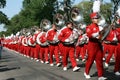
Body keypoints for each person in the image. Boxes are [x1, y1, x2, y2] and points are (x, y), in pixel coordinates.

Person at [84, 12, 107, 80]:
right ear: (92, 19)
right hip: (92, 45)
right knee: (90, 60)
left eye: (98, 18)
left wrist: (104, 33)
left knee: (99, 61)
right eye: (96, 18)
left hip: (98, 45)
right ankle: (86, 72)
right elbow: (90, 35)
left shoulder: (100, 27)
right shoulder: (89, 27)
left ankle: (100, 76)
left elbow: (103, 36)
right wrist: (99, 33)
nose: (97, 19)